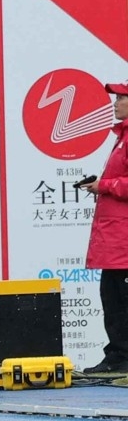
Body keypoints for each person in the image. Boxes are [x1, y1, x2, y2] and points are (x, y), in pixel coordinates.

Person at [80, 82, 128, 374]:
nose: (115, 102)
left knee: (119, 301)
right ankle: (118, 355)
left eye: (121, 97)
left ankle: (121, 357)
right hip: (115, 238)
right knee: (112, 299)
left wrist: (105, 186)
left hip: (122, 240)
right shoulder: (122, 136)